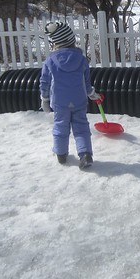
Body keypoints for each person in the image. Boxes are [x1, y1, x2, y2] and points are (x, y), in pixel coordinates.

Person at [40, 21, 101, 170]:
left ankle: (61, 153)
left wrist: (45, 98)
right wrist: (91, 93)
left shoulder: (50, 61)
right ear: (72, 40)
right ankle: (85, 154)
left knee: (60, 126)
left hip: (60, 102)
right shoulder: (81, 59)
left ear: (56, 43)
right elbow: (86, 81)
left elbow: (45, 81)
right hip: (79, 100)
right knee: (81, 127)